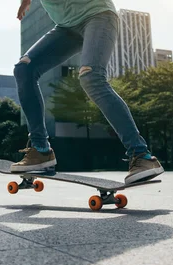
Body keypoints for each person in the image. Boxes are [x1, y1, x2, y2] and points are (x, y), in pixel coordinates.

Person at [10, 0, 164, 184]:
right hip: (67, 28)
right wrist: (24, 3)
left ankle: (141, 155)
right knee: (24, 69)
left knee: (91, 77)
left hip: (98, 15)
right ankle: (41, 150)